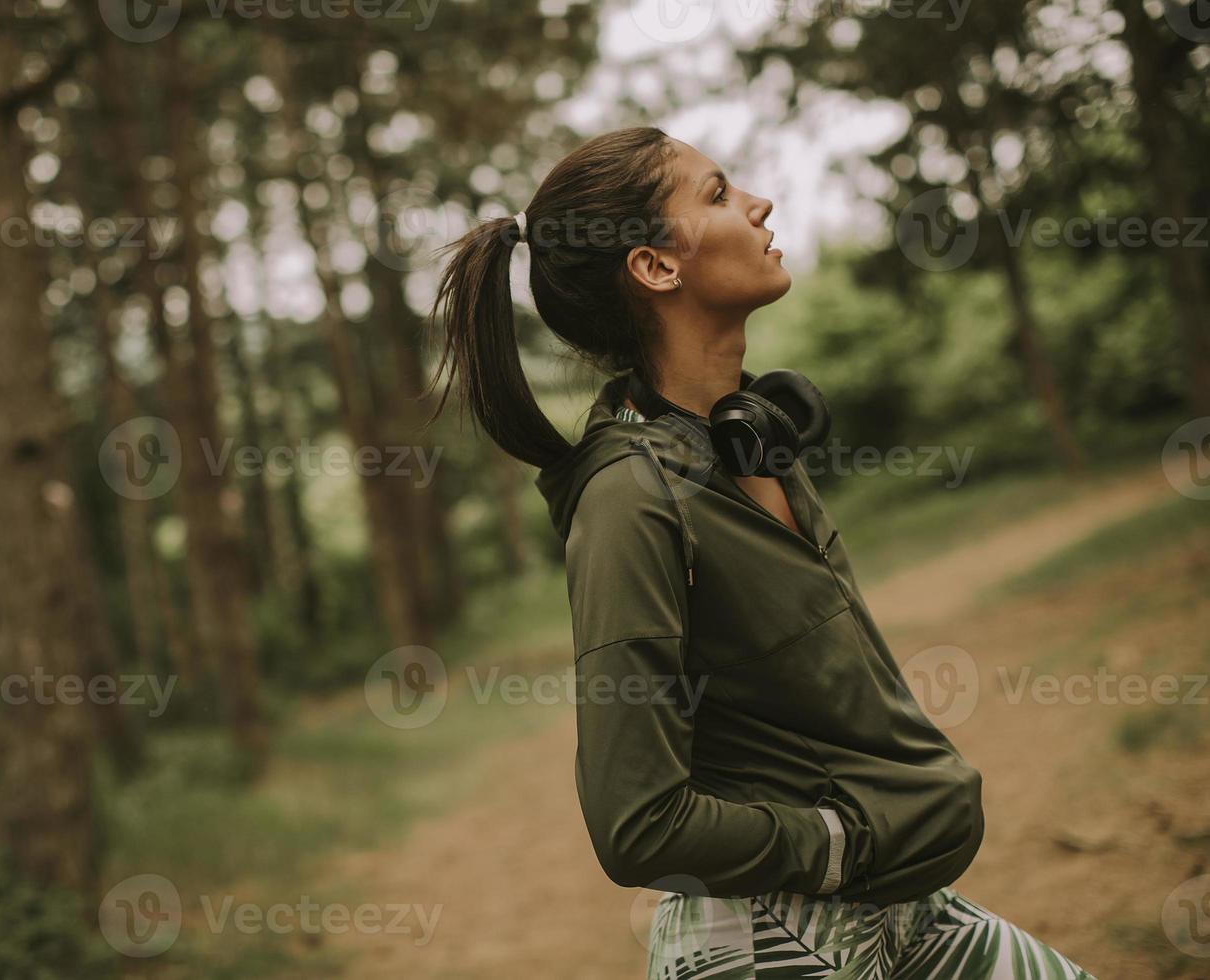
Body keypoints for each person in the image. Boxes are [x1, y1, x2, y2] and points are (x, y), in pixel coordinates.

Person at [425, 126, 1097, 978]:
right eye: (716, 194)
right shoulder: (631, 497)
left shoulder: (749, 439)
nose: (758, 204)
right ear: (656, 267)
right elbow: (636, 822)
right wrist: (841, 842)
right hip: (771, 944)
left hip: (899, 916)